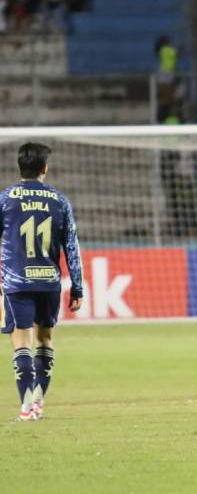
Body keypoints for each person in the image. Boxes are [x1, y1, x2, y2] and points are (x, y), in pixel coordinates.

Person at [0, 143, 83, 421]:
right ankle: (38, 403)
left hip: (16, 281)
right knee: (45, 340)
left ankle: (25, 407)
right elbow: (72, 246)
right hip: (48, 282)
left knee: (20, 341)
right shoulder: (59, 200)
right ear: (44, 169)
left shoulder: (6, 198)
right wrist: (78, 286)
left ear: (19, 167)